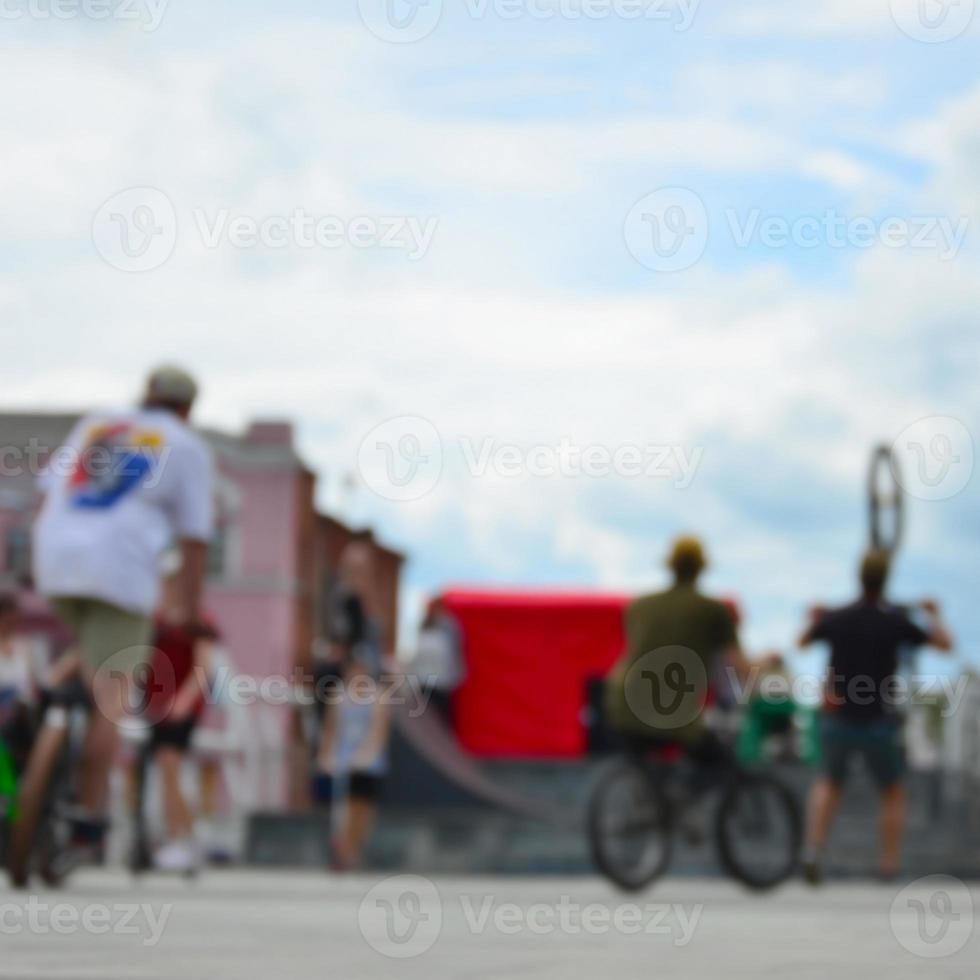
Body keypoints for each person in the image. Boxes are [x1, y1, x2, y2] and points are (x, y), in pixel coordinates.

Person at [20, 365, 213, 874]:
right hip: (120, 573)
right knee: (113, 693)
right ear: (188, 409)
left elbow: (51, 487)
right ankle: (87, 817)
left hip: (53, 558)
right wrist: (189, 613)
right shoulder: (187, 446)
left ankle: (40, 720)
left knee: (88, 650)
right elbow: (195, 540)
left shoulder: (99, 424)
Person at [799, 551, 953, 884]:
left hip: (838, 717)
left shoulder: (839, 617)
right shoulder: (894, 620)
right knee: (894, 792)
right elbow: (945, 645)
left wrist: (814, 617)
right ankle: (888, 864)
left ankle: (814, 848)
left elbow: (801, 641)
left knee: (829, 782)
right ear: (886, 579)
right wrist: (934, 615)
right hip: (878, 721)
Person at [606, 536, 766, 771]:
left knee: (653, 765)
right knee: (719, 763)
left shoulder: (640, 605)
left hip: (622, 703)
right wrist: (760, 689)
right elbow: (738, 664)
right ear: (702, 568)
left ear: (670, 565)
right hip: (671, 711)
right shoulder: (713, 610)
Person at [141, 565, 219, 873]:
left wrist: (184, 702)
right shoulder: (156, 621)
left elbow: (203, 668)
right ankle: (186, 836)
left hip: (182, 709)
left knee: (169, 765)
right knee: (164, 770)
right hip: (156, 708)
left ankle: (181, 837)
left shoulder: (199, 622)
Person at [313, 647, 391, 870]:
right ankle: (345, 852)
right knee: (344, 808)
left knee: (363, 807)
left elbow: (378, 731)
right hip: (343, 760)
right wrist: (326, 755)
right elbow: (331, 729)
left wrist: (367, 754)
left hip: (367, 762)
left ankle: (356, 847)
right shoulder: (339, 696)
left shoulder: (377, 697)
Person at [413, 597, 465, 725]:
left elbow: (454, 652)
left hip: (442, 681)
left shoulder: (449, 625)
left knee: (441, 715)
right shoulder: (424, 624)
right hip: (425, 679)